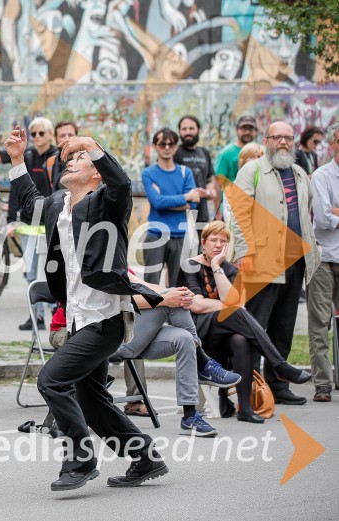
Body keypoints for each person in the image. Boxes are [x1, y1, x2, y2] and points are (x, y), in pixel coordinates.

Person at [7, 127, 168, 491]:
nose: (72, 160)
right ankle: (144, 457)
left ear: (95, 171)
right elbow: (30, 200)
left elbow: (122, 184)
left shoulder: (106, 203)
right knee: (92, 400)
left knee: (50, 380)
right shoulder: (57, 206)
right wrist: (18, 159)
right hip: (80, 318)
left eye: (80, 159)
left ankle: (80, 459)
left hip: (106, 318)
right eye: (73, 156)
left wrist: (90, 146)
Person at [180, 222, 311, 422]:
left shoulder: (228, 270)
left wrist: (216, 266)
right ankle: (279, 365)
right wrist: (227, 305)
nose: (217, 245)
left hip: (224, 330)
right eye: (213, 240)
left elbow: (231, 301)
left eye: (223, 241)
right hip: (199, 331)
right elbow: (197, 306)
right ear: (203, 242)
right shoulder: (190, 266)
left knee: (241, 340)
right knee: (235, 312)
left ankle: (245, 408)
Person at [231, 121, 320, 405]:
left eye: (288, 137)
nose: (283, 142)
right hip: (263, 261)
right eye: (277, 137)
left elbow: (307, 212)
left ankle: (278, 387)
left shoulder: (299, 173)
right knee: (256, 327)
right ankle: (252, 390)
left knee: (283, 327)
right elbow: (239, 214)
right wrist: (245, 253)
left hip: (295, 261)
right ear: (266, 140)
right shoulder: (252, 170)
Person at [113, 272, 240, 437]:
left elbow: (148, 287)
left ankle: (189, 419)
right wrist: (166, 298)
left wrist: (178, 293)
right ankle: (203, 364)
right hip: (115, 340)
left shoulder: (119, 262)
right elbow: (117, 303)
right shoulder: (97, 263)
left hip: (137, 335)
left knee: (185, 338)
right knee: (170, 300)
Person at [0, 117, 62, 330]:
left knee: (53, 270)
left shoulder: (55, 159)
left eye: (42, 133)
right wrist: (11, 220)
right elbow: (16, 190)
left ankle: (58, 314)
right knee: (31, 273)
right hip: (29, 223)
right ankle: (35, 316)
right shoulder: (26, 156)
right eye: (34, 133)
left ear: (50, 135)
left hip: (50, 223)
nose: (37, 137)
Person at [141, 128, 200, 287]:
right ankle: (150, 313)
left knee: (178, 286)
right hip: (156, 235)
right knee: (150, 286)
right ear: (155, 146)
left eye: (170, 144)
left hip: (180, 235)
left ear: (176, 147)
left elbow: (193, 204)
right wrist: (185, 198)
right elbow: (156, 203)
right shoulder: (148, 173)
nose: (166, 148)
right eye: (162, 144)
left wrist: (165, 201)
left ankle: (172, 313)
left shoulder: (184, 172)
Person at [306, 120, 339, 402]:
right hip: (323, 258)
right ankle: (323, 384)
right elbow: (325, 220)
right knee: (320, 323)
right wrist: (333, 213)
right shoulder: (321, 176)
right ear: (333, 144)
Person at [176, 115, 217, 234]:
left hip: (202, 215)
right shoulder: (175, 153)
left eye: (191, 128)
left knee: (200, 251)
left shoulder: (204, 152)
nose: (187, 132)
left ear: (199, 130)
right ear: (179, 131)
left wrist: (210, 191)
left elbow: (209, 179)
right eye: (184, 129)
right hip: (181, 215)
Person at [215, 115, 259, 187]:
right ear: (236, 130)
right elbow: (218, 181)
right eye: (244, 128)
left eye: (250, 129)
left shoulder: (261, 152)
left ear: (256, 131)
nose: (247, 132)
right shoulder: (225, 153)